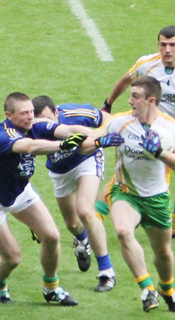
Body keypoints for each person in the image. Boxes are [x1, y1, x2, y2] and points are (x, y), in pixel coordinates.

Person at [0, 91, 101, 305]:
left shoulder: (35, 125)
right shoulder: (3, 136)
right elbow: (30, 147)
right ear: (9, 115)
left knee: (51, 236)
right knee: (13, 258)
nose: (31, 116)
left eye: (31, 111)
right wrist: (62, 145)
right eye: (24, 113)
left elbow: (66, 129)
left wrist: (98, 135)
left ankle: (51, 289)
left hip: (20, 191)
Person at [98, 25, 175, 238]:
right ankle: (91, 224)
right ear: (158, 45)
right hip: (142, 128)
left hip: (174, 136)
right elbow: (124, 80)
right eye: (163, 44)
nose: (167, 50)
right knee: (123, 180)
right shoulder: (146, 64)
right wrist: (107, 105)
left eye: (172, 45)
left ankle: (173, 227)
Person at [103, 76, 175, 312]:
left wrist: (160, 152)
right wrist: (97, 141)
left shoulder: (171, 127)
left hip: (157, 198)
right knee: (123, 231)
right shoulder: (119, 122)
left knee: (162, 252)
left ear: (150, 100)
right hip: (125, 193)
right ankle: (147, 288)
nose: (130, 100)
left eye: (135, 96)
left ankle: (168, 289)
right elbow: (91, 139)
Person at [32, 96, 124, 292]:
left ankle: (107, 272)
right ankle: (83, 241)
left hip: (87, 160)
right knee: (72, 223)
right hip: (59, 170)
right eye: (40, 121)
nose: (46, 125)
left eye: (49, 119)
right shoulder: (29, 127)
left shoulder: (76, 114)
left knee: (85, 210)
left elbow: (107, 118)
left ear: (56, 113)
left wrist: (101, 138)